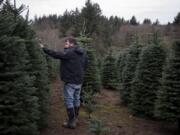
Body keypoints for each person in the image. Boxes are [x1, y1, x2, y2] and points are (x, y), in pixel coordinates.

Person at [39, 37, 88, 129]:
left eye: (67, 43)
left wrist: (43, 48)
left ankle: (71, 121)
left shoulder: (70, 52)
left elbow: (56, 54)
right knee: (76, 98)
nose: (65, 44)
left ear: (72, 43)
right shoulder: (83, 52)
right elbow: (86, 64)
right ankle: (75, 118)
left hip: (70, 81)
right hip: (79, 80)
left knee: (69, 100)